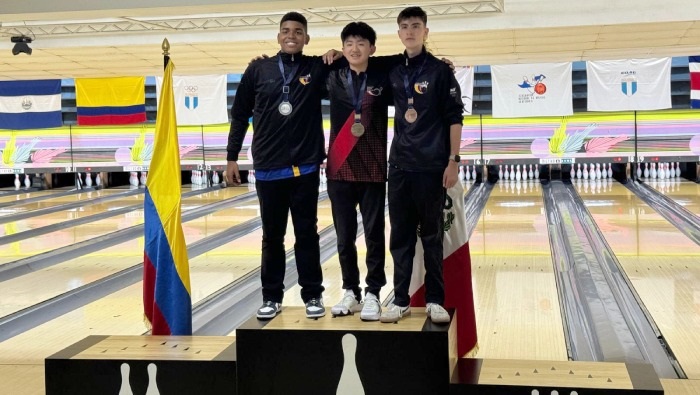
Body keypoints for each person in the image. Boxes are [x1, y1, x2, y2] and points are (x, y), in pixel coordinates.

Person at [226, 12, 332, 320]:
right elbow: (240, 113)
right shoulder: (258, 69)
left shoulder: (316, 68)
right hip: (269, 168)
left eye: (298, 31)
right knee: (272, 237)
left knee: (307, 234)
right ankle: (271, 297)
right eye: (286, 31)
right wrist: (232, 157)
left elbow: (354, 70)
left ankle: (313, 294)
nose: (292, 35)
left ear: (306, 38)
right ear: (278, 36)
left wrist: (336, 56)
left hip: (305, 169)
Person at [379, 6, 464, 324]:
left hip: (431, 168)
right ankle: (400, 300)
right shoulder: (392, 70)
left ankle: (435, 301)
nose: (410, 31)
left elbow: (455, 118)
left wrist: (453, 161)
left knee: (432, 237)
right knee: (400, 236)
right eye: (404, 26)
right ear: (399, 33)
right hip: (399, 166)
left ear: (426, 31)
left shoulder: (441, 71)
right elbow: (357, 65)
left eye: (416, 25)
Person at [326, 22, 395, 321]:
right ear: (342, 49)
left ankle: (373, 293)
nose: (355, 48)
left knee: (374, 235)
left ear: (372, 48)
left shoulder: (383, 75)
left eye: (361, 43)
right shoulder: (331, 76)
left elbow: (405, 62)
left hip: (373, 168)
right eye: (349, 43)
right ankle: (350, 290)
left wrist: (439, 63)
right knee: (344, 236)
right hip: (339, 168)